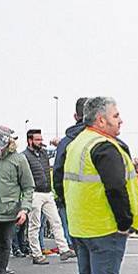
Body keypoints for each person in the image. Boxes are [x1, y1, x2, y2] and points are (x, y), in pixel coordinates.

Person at [65, 96, 138, 274]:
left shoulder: (77, 144)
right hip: (103, 228)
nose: (121, 120)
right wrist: (125, 224)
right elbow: (115, 189)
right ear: (101, 119)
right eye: (116, 115)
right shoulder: (104, 147)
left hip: (81, 226)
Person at [22, 129, 76, 264]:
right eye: (38, 140)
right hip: (34, 194)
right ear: (30, 140)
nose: (41, 142)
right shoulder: (24, 156)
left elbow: (60, 150)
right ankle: (36, 253)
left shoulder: (44, 153)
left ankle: (64, 250)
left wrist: (59, 143)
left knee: (56, 222)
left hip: (47, 193)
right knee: (35, 225)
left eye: (41, 139)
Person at [0, 126, 34, 274]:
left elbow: (28, 187)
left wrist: (24, 209)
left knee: (4, 244)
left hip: (10, 211)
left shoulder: (19, 160)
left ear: (2, 140)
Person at [54, 97, 89, 259]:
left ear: (76, 116)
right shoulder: (104, 141)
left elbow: (57, 174)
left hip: (72, 203)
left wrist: (63, 198)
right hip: (99, 210)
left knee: (84, 267)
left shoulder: (66, 142)